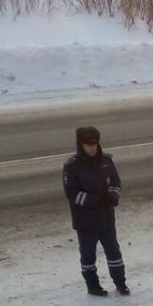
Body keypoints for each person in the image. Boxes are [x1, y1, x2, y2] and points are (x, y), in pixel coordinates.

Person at [62, 126, 130, 297]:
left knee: (114, 253)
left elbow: (115, 182)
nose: (92, 148)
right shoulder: (72, 166)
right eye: (88, 145)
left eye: (95, 144)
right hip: (85, 222)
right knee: (88, 256)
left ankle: (121, 283)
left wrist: (113, 196)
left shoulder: (106, 161)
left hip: (106, 218)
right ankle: (93, 286)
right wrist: (96, 200)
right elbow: (72, 193)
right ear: (81, 145)